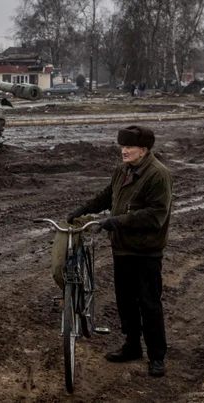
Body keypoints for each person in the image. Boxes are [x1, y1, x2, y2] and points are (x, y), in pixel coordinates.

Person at [66, 125, 172, 377]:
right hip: (122, 248)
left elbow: (156, 214)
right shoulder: (123, 170)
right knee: (125, 302)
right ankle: (132, 347)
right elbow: (107, 196)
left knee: (149, 303)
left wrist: (117, 221)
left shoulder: (158, 174)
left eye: (129, 147)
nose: (124, 151)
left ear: (143, 150)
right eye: (122, 146)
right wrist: (82, 209)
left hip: (145, 251)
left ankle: (157, 356)